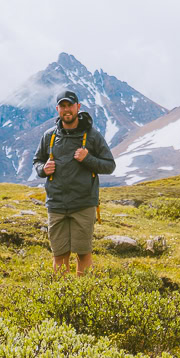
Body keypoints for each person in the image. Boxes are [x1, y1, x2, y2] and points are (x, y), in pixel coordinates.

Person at [33, 90, 116, 276]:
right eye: (62, 106)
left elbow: (109, 165)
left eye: (70, 105)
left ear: (78, 107)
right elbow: (37, 161)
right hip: (56, 204)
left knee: (83, 253)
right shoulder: (49, 136)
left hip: (83, 204)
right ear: (57, 109)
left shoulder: (92, 136)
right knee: (59, 254)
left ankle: (83, 297)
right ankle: (62, 298)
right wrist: (42, 169)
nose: (66, 110)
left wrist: (88, 159)